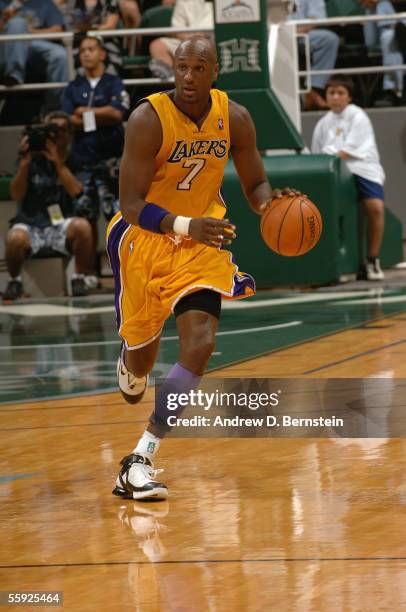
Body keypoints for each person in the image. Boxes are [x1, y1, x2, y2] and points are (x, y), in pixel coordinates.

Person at [107, 35, 298, 500]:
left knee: (201, 342)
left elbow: (255, 185)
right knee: (139, 372)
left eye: (198, 68)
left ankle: (140, 459)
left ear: (215, 73)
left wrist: (272, 205)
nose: (188, 77)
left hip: (201, 245)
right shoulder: (147, 119)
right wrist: (185, 223)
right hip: (144, 242)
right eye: (181, 68)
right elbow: (130, 205)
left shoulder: (234, 117)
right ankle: (131, 363)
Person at [2, 111, 94, 301]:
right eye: (51, 130)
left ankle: (78, 278)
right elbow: (15, 194)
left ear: (69, 135)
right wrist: (25, 162)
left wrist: (58, 164)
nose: (56, 135)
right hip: (31, 224)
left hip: (62, 224)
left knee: (83, 227)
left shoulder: (74, 160)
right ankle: (14, 280)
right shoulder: (30, 159)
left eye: (61, 130)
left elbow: (76, 191)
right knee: (14, 237)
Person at [62, 34, 129, 284]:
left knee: (118, 217)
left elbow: (117, 113)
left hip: (112, 163)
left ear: (102, 53)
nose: (86, 54)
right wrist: (101, 115)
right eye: (82, 51)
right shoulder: (73, 87)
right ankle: (87, 274)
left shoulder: (113, 82)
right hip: (83, 163)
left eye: (91, 49)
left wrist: (86, 112)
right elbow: (68, 120)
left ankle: (125, 272)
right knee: (86, 218)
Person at [311, 74, 385, 281]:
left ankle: (373, 259)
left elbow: (349, 150)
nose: (335, 97)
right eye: (331, 93)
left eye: (340, 93)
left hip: (362, 169)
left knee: (375, 208)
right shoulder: (322, 123)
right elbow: (317, 153)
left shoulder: (358, 116)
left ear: (349, 97)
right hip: (335, 172)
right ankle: (332, 263)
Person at [0, 0, 68, 109]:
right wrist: (4, 20)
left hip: (34, 43)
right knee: (17, 23)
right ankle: (14, 74)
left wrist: (28, 31)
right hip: (6, 46)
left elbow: (57, 29)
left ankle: (53, 108)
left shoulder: (45, 3)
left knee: (61, 55)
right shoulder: (3, 4)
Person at [287, 0, 340, 110]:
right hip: (270, 34)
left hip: (300, 34)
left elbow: (316, 17)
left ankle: (313, 89)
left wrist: (296, 32)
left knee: (329, 39)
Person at [148, 0, 214, 80]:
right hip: (187, 41)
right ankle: (169, 80)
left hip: (214, 41)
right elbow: (177, 29)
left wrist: (201, 36)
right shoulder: (183, 1)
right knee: (157, 46)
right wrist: (191, 39)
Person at [360, 0, 405, 107]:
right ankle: (390, 26)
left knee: (388, 37)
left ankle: (392, 89)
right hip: (378, 29)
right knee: (382, 5)